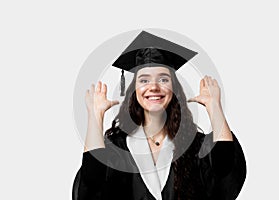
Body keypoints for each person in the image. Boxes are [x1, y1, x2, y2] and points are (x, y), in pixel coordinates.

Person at [72, 31, 246, 200]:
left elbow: (226, 169)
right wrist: (95, 116)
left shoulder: (194, 145)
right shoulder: (118, 147)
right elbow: (91, 184)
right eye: (144, 80)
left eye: (163, 79)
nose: (153, 87)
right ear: (134, 90)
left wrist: (214, 107)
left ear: (174, 89)